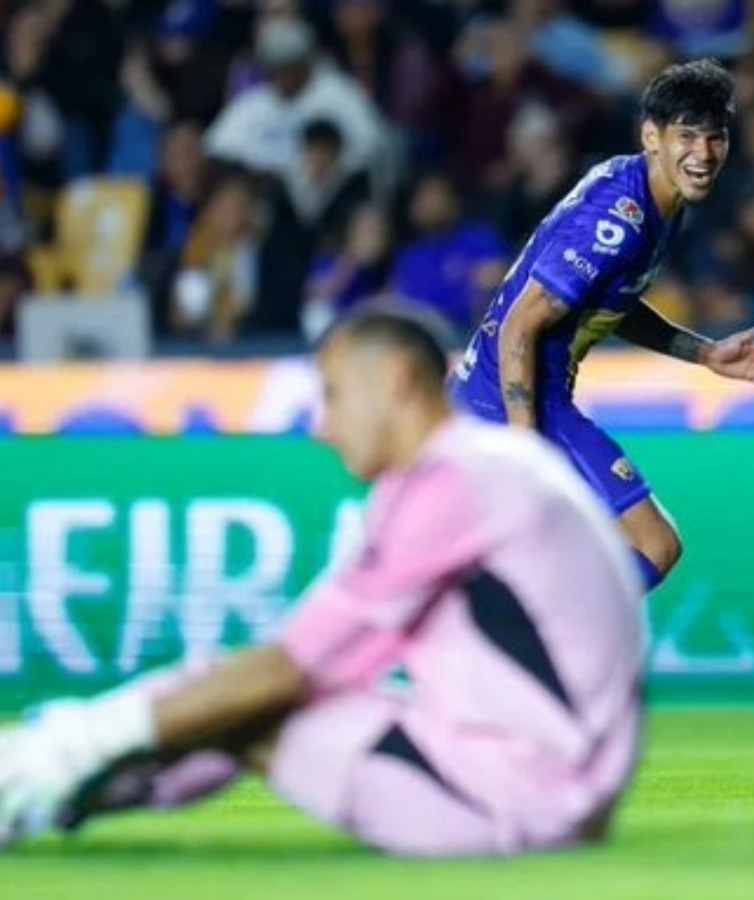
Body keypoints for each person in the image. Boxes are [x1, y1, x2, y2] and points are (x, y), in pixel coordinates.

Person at [0, 308, 645, 856]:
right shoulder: (481, 468)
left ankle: (41, 774)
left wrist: (82, 738)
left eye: (333, 394)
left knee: (256, 701)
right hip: (556, 786)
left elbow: (288, 670)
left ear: (395, 381)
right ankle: (47, 787)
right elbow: (322, 668)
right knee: (244, 698)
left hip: (523, 800)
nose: (321, 426)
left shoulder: (454, 483)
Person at [450, 58, 754, 592]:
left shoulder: (645, 192)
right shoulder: (620, 220)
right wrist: (523, 453)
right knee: (654, 544)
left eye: (715, 138)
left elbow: (609, 302)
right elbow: (519, 325)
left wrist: (704, 353)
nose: (703, 154)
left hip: (497, 399)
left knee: (543, 564)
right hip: (518, 404)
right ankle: (553, 645)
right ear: (652, 136)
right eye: (687, 137)